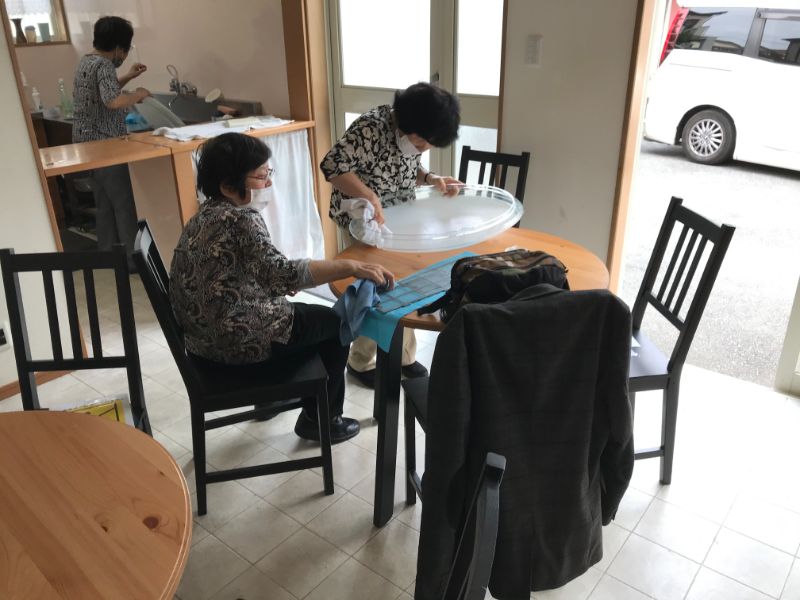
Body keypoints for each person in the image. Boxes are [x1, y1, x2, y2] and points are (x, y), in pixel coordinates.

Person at [169, 133, 395, 443]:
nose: (269, 183)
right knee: (336, 325)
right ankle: (321, 420)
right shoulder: (240, 220)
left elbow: (258, 273)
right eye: (260, 176)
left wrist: (280, 282)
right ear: (228, 186)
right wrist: (351, 266)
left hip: (202, 345)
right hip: (239, 346)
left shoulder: (204, 215)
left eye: (268, 173)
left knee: (311, 317)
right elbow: (285, 275)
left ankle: (271, 402)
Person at [320, 82, 461, 388]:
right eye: (423, 142)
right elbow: (332, 166)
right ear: (408, 123)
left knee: (404, 285)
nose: (424, 148)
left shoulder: (411, 135)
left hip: (398, 218)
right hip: (365, 221)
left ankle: (404, 356)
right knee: (376, 289)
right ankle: (360, 360)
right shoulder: (371, 128)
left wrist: (432, 178)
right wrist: (369, 195)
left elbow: (407, 167)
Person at [72, 16, 150, 266]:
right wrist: (138, 95)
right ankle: (133, 261)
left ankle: (106, 255)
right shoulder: (104, 65)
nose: (124, 56)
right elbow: (113, 100)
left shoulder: (87, 61)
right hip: (106, 145)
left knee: (104, 203)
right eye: (125, 51)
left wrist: (128, 77)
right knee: (124, 203)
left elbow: (105, 91)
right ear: (118, 48)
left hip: (86, 144)